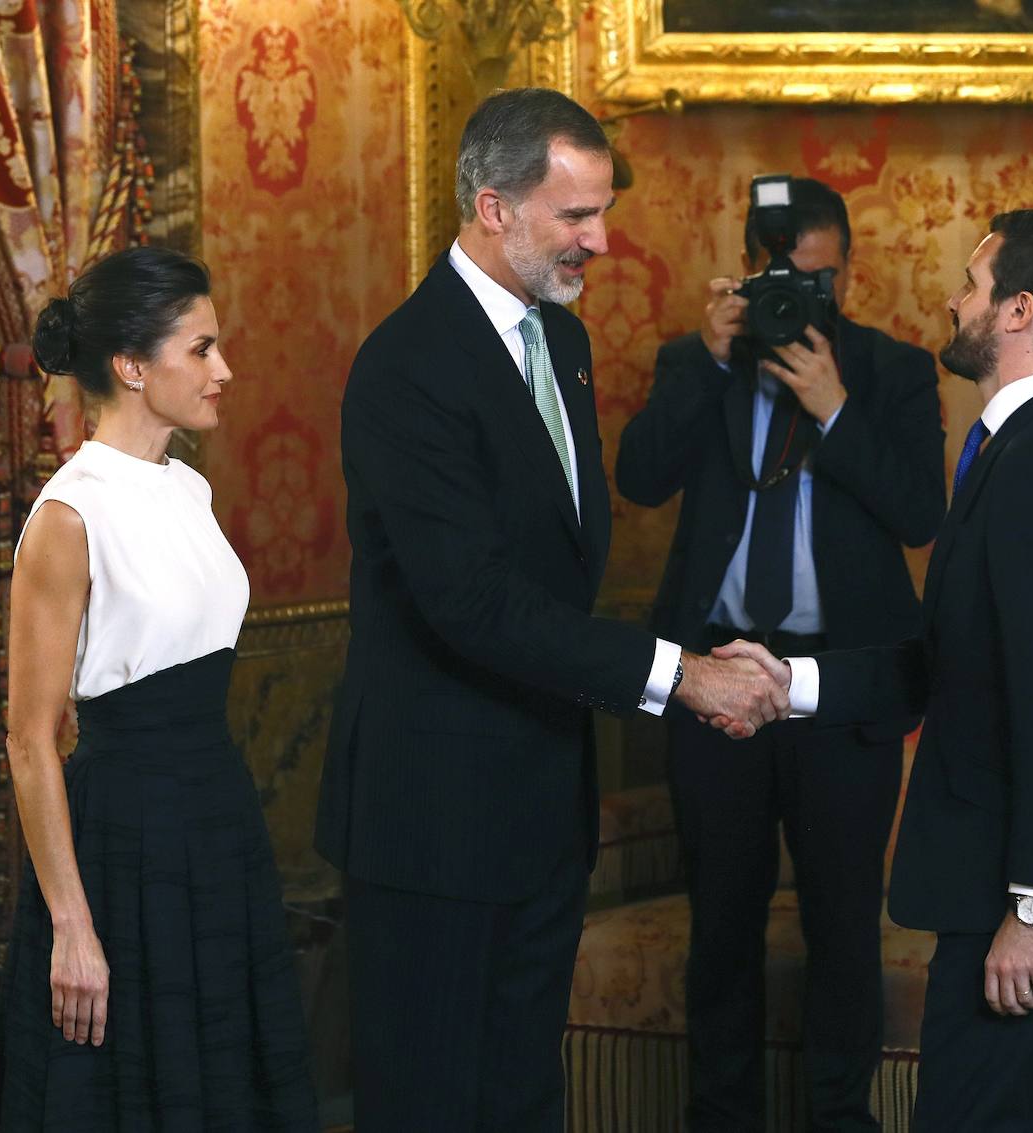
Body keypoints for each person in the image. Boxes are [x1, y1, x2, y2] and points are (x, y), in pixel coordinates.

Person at [312, 87, 789, 1133]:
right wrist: (684, 673)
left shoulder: (560, 345)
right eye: (577, 216)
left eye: (602, 211)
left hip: (540, 808)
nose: (603, 241)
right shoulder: (407, 365)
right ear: (493, 207)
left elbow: (558, 565)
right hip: (431, 817)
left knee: (526, 1102)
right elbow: (474, 601)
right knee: (432, 1106)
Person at [716, 208, 1033, 1132]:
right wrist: (791, 682)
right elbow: (956, 669)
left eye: (972, 284)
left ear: (1018, 312)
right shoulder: (1019, 450)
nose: (953, 299)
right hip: (1019, 877)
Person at [615, 176, 946, 1132]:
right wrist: (713, 364)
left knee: (843, 920)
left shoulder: (889, 370)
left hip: (840, 692)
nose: (803, 302)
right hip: (713, 681)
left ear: (843, 271)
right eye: (783, 282)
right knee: (721, 920)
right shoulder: (696, 359)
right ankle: (721, 1117)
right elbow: (638, 478)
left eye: (822, 281)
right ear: (751, 275)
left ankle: (841, 1119)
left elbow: (921, 514)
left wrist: (838, 409)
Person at [0, 247, 318, 1130]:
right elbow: (29, 740)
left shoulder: (191, 490)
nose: (225, 370)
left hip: (216, 818)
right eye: (202, 349)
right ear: (133, 365)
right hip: (124, 836)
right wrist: (71, 926)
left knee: (222, 1083)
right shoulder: (70, 512)